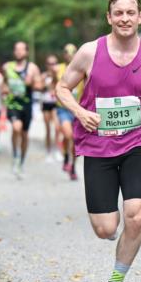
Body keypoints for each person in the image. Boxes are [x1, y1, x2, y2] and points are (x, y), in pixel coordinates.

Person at [56, 0, 141, 282]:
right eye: (118, 13)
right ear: (109, 17)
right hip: (98, 148)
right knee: (105, 228)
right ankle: (112, 233)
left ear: (140, 17)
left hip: (137, 144)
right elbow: (62, 87)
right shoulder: (89, 53)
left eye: (131, 13)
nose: (125, 18)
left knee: (135, 216)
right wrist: (80, 112)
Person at [2, 41, 42, 177]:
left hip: (27, 105)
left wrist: (31, 84)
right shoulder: (7, 67)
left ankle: (22, 161)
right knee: (16, 128)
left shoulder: (32, 68)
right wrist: (5, 90)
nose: (19, 52)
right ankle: (15, 156)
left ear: (26, 52)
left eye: (21, 50)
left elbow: (40, 86)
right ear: (14, 52)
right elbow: (4, 85)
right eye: (16, 50)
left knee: (24, 134)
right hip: (13, 105)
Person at [55, 44, 83, 180]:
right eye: (67, 52)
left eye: (73, 52)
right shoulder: (58, 69)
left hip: (78, 108)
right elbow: (53, 86)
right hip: (63, 107)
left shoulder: (82, 68)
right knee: (68, 135)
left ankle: (72, 166)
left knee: (76, 140)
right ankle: (66, 156)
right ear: (64, 54)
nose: (70, 54)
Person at [41, 54, 61, 163]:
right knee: (48, 129)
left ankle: (57, 150)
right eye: (49, 63)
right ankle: (48, 153)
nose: (51, 66)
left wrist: (55, 76)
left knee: (57, 128)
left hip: (55, 103)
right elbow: (39, 87)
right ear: (46, 65)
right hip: (46, 103)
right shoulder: (44, 76)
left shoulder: (59, 75)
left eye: (54, 63)